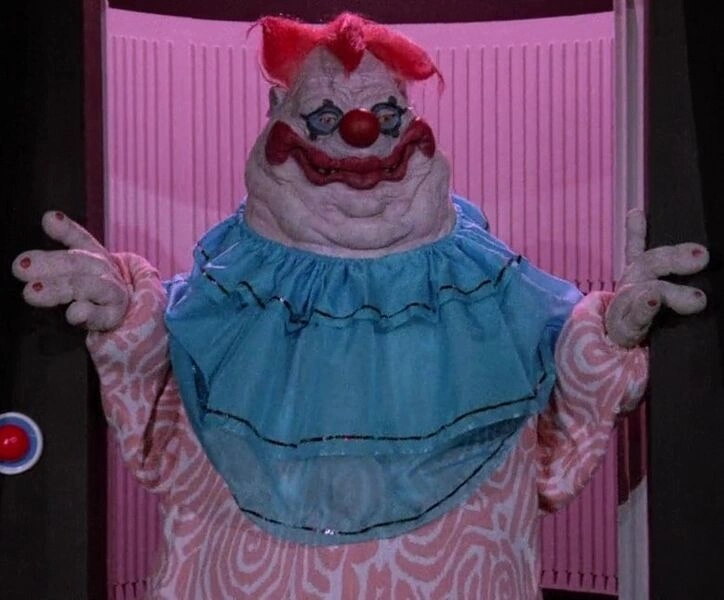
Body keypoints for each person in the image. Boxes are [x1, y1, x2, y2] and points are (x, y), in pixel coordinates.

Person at [11, 13, 708, 599]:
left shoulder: (479, 278)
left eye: (386, 114)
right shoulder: (234, 281)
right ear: (276, 116)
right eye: (324, 115)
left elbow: (566, 372)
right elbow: (164, 379)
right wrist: (120, 312)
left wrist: (617, 329)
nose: (359, 134)